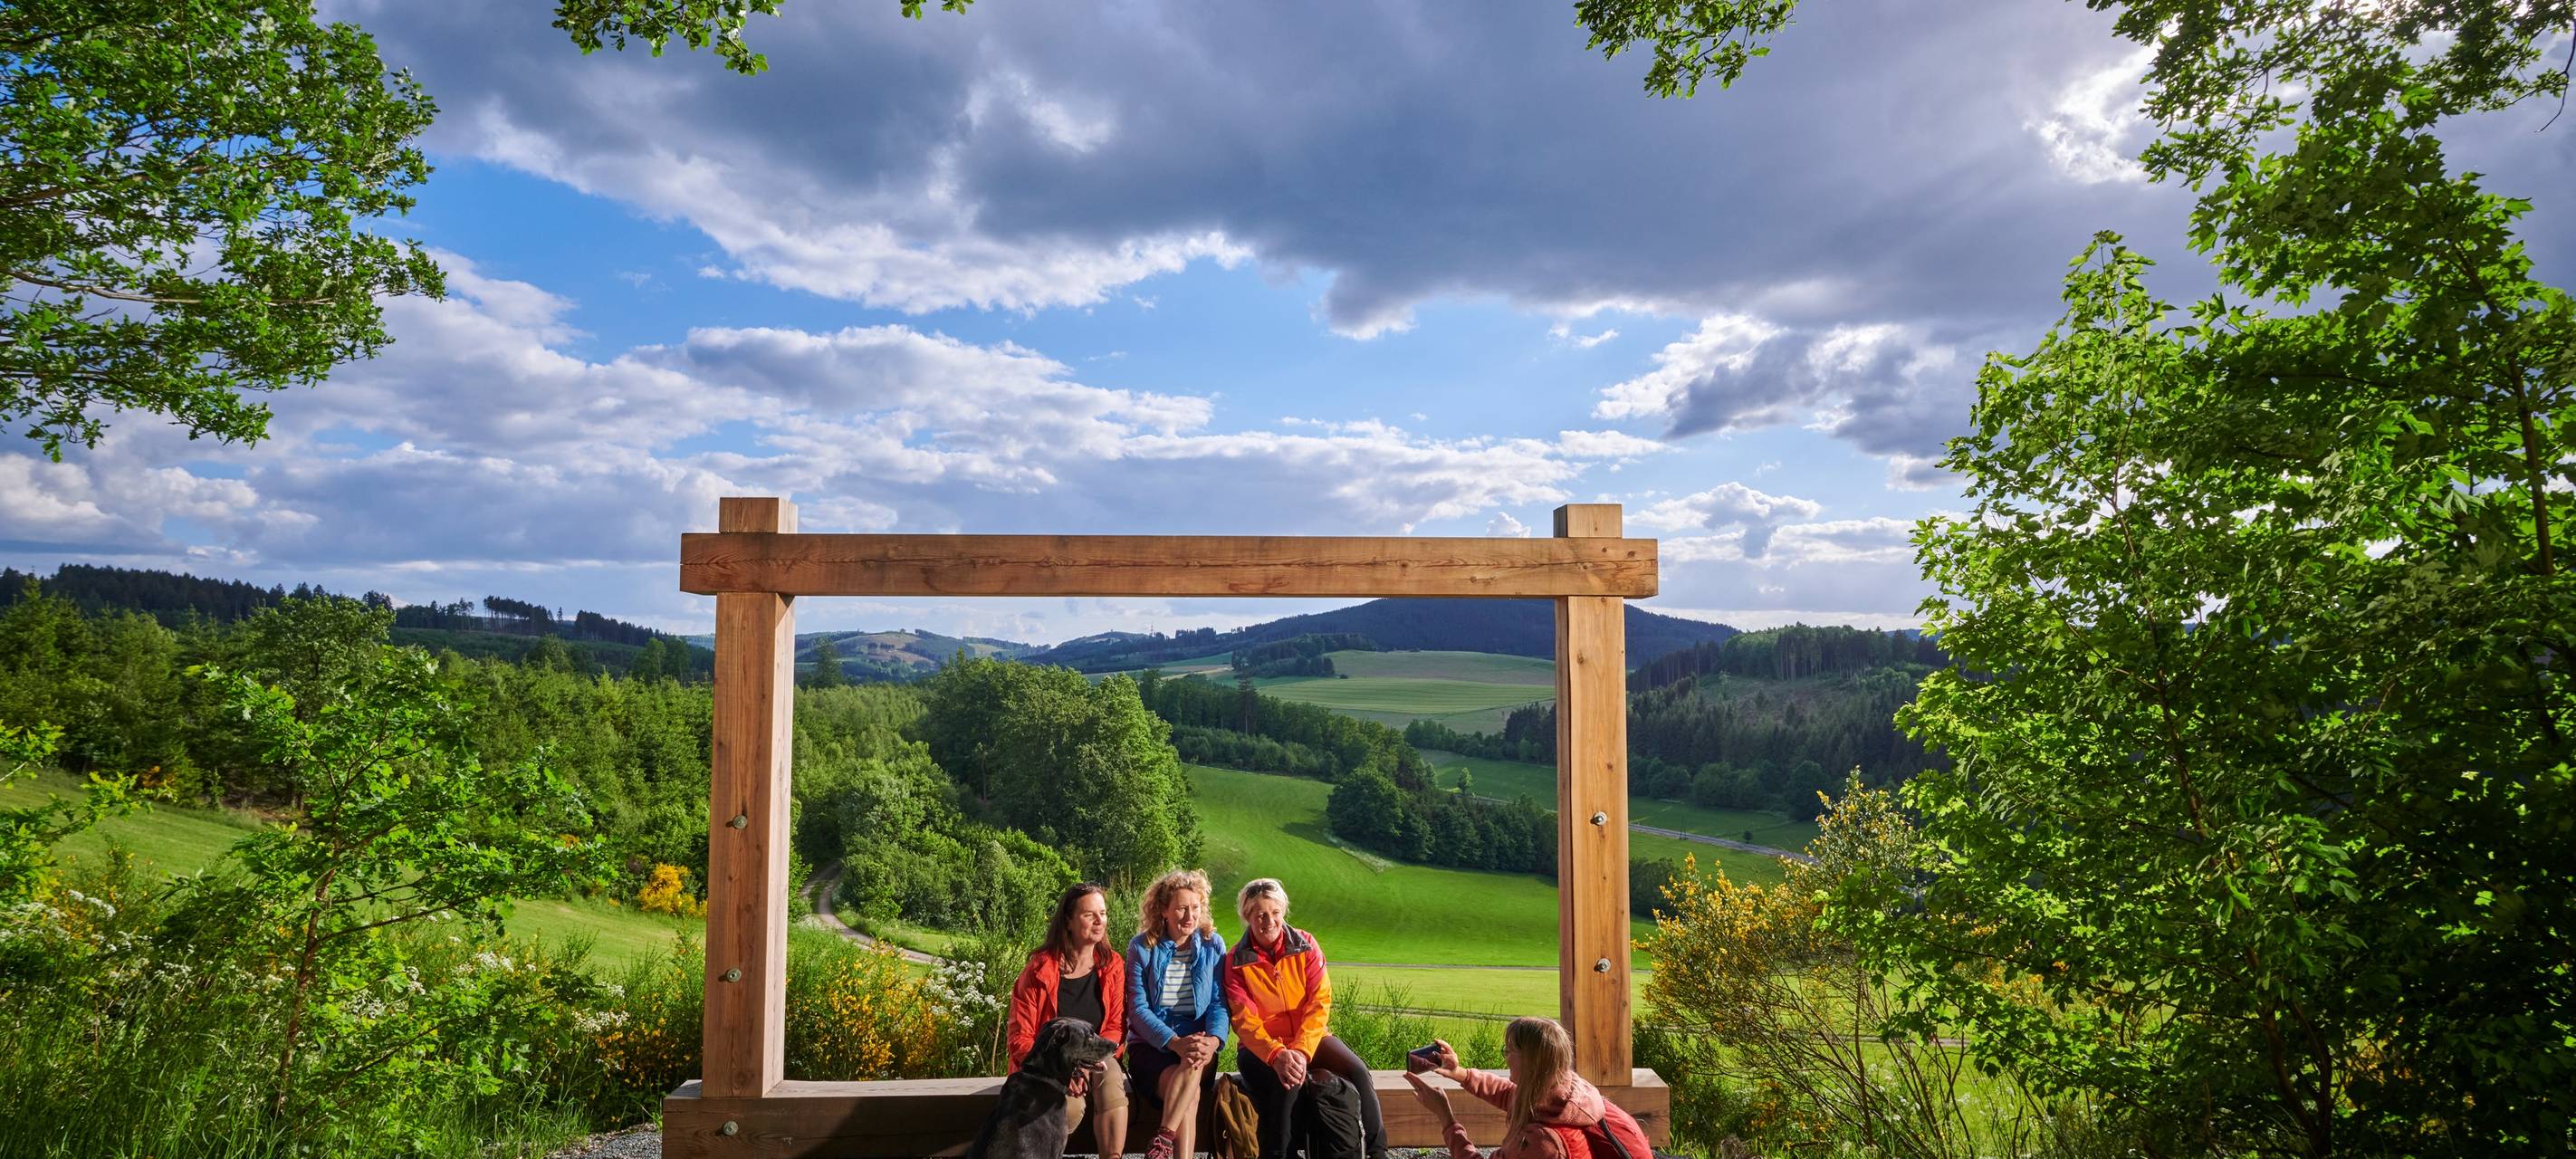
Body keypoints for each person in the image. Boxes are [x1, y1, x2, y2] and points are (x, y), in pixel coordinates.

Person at [1221, 877, 1387, 1159]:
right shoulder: (1235, 960)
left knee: (1358, 1070)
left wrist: (1299, 1050)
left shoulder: (1306, 944)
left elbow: (1319, 1002)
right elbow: (1244, 1021)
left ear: (1283, 911)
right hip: (1260, 1049)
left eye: (1275, 912)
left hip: (1310, 1039)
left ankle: (1377, 1151)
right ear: (1247, 916)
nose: (1269, 921)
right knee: (1289, 1080)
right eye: (1260, 915)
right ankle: (1279, 1154)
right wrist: (1277, 1054)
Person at [1399, 1019, 1653, 1159]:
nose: (1505, 1057)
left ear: (1531, 1061)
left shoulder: (1541, 1144)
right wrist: (1461, 1074)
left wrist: (1446, 1119)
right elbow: (1509, 1094)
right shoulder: (1567, 1094)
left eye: (1509, 1051)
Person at [1007, 883, 1130, 1156]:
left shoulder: (1112, 965)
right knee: (1069, 1108)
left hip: (1095, 1058)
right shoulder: (1039, 971)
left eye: (1103, 913)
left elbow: (1115, 1026)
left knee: (1111, 1078)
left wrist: (1085, 1065)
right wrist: (1063, 1070)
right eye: (1089, 915)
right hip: (1048, 1067)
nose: (1099, 921)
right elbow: (1020, 1038)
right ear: (1069, 921)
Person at [1126, 869, 1231, 1159]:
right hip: (1152, 1047)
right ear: (1164, 910)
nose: (1190, 916)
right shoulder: (1142, 947)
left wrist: (1213, 1041)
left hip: (1199, 1045)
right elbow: (1138, 1009)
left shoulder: (1212, 945)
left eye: (1195, 907)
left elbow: (1218, 1003)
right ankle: (1166, 1142)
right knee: (1190, 1092)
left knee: (1193, 1060)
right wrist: (1174, 1042)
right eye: (1181, 908)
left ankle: (1163, 1139)